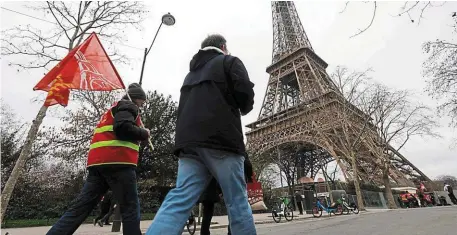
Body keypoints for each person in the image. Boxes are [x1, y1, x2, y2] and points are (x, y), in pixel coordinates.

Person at [146, 34, 256, 235]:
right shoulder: (229, 61)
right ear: (223, 47)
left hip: (189, 144)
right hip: (221, 140)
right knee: (237, 200)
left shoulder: (190, 74)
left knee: (179, 199)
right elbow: (245, 98)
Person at [46, 83, 150, 235]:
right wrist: (144, 133)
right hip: (119, 163)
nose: (143, 104)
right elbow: (122, 128)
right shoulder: (129, 106)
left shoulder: (112, 110)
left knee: (80, 208)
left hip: (98, 164)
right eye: (143, 101)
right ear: (138, 98)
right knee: (130, 207)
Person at [200, 158, 253, 235]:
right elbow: (247, 164)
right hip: (237, 181)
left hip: (211, 188)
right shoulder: (238, 153)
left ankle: (204, 233)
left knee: (207, 213)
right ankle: (231, 231)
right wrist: (250, 177)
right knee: (236, 209)